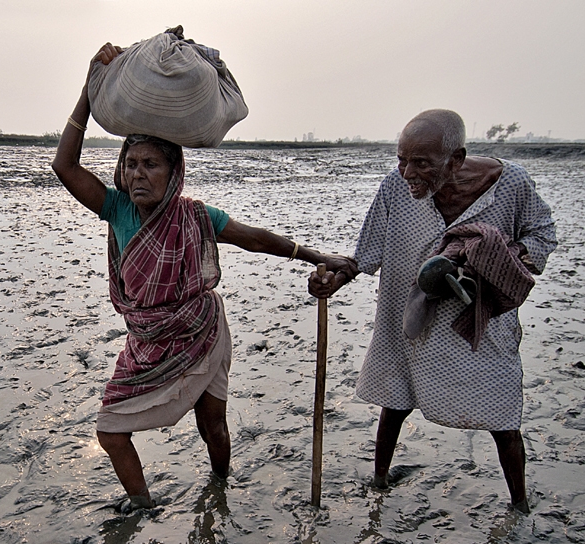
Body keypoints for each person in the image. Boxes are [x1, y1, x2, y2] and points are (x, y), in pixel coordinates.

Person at [53, 43, 358, 509]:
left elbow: (254, 237)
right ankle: (143, 506)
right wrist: (88, 86)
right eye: (131, 165)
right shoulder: (115, 209)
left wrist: (315, 255)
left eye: (151, 165)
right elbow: (64, 166)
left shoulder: (195, 215)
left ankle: (220, 489)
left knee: (212, 421)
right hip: (148, 341)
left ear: (173, 173)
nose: (138, 174)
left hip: (202, 330)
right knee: (111, 431)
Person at [309, 109, 557, 514]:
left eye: (421, 163)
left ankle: (520, 504)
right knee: (396, 401)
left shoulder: (510, 184)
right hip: (405, 317)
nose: (408, 173)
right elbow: (367, 252)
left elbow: (542, 232)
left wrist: (503, 257)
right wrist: (335, 281)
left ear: (456, 159)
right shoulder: (395, 188)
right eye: (402, 160)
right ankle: (380, 479)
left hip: (478, 322)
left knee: (503, 414)